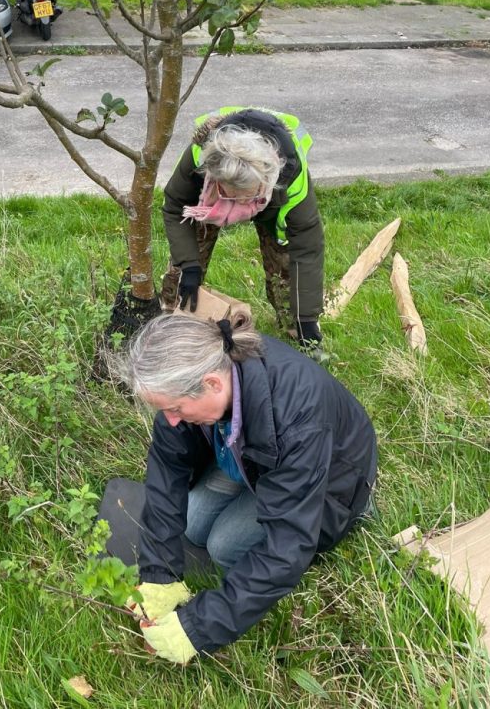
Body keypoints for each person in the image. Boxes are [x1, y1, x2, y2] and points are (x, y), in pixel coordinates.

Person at [111, 312, 377, 664]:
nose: (170, 420)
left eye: (174, 409)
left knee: (222, 546)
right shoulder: (197, 379)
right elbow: (167, 466)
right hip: (254, 457)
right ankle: (246, 484)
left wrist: (199, 627)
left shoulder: (297, 417)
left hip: (333, 484)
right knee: (193, 523)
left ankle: (362, 509)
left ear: (212, 384)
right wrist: (158, 572)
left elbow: (287, 547)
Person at [161, 106, 324, 348]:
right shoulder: (199, 159)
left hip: (270, 201)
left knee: (287, 266)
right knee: (183, 273)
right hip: (209, 201)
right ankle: (171, 321)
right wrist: (189, 264)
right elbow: (175, 207)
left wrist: (307, 316)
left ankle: (296, 329)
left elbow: (307, 246)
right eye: (231, 196)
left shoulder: (291, 180)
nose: (239, 205)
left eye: (245, 198)